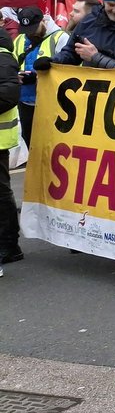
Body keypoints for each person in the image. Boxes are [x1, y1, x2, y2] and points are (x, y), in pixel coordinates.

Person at [13, 6, 68, 151]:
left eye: (34, 29)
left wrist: (41, 75)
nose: (30, 33)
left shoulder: (60, 38)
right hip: (25, 100)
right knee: (30, 142)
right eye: (26, 30)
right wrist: (15, 76)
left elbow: (70, 68)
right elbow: (12, 64)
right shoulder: (19, 39)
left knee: (50, 144)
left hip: (51, 103)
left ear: (43, 21)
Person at [48, 0, 115, 67]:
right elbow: (71, 53)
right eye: (110, 5)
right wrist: (52, 61)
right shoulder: (88, 22)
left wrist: (95, 56)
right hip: (89, 75)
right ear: (103, 2)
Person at [0, 25, 21, 271]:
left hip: (0, 138)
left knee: (0, 192)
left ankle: (9, 245)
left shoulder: (3, 57)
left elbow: (8, 94)